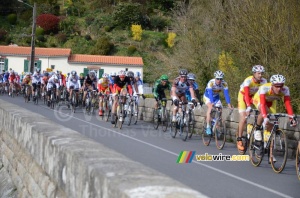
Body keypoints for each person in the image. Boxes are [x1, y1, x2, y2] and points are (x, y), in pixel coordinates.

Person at [252, 74, 297, 158]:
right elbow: (262, 104)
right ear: (272, 85)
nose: (279, 88)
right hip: (259, 100)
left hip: (270, 102)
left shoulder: (285, 89)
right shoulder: (264, 88)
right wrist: (265, 117)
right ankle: (257, 129)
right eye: (276, 86)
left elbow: (287, 104)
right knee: (264, 111)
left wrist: (291, 118)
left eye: (281, 86)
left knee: (272, 124)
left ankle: (269, 148)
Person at [237, 65, 267, 151]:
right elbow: (246, 95)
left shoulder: (264, 81)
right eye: (258, 73)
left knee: (262, 110)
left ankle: (256, 131)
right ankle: (239, 139)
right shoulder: (248, 80)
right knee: (243, 117)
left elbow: (263, 96)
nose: (260, 75)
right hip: (243, 96)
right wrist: (249, 107)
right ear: (254, 73)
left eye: (262, 73)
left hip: (254, 97)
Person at [203, 70, 233, 135]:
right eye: (217, 79)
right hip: (208, 97)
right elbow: (210, 93)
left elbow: (226, 94)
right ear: (215, 78)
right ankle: (208, 126)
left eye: (220, 79)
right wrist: (212, 102)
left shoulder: (224, 84)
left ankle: (216, 123)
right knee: (210, 107)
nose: (219, 80)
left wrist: (229, 104)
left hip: (216, 97)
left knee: (220, 109)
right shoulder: (211, 82)